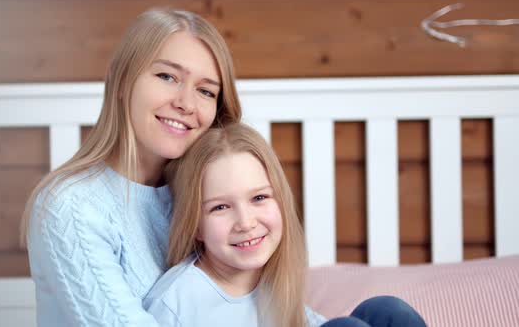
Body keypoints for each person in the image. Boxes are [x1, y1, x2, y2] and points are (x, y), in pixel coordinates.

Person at [21, 8, 241, 326]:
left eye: (205, 91)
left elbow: (263, 300)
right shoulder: (70, 206)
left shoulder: (205, 200)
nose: (186, 103)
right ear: (122, 81)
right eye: (167, 76)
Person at [143, 123, 427, 327]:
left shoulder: (271, 281)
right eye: (220, 207)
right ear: (194, 224)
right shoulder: (176, 303)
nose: (246, 222)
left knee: (387, 312)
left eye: (259, 198)